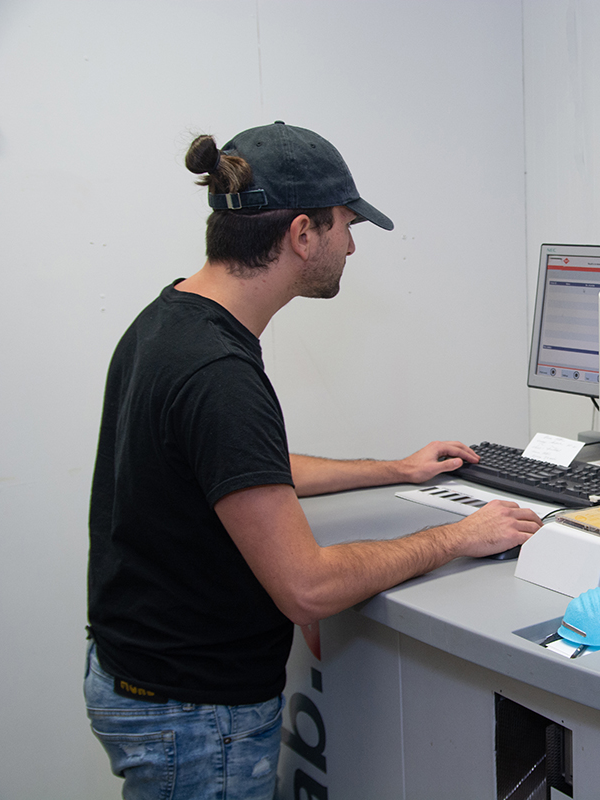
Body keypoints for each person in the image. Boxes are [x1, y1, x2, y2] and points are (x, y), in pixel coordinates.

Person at [85, 121, 542, 800]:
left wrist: (396, 470)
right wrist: (457, 537)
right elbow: (307, 588)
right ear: (303, 234)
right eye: (345, 225)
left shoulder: (171, 320)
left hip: (143, 678)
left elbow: (240, 468)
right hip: (196, 715)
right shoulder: (218, 373)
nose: (352, 245)